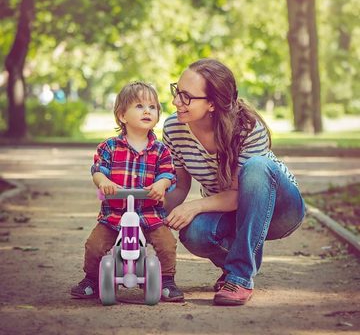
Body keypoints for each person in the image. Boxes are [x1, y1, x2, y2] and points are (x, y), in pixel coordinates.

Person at [162, 59, 305, 306]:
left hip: (280, 210)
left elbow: (240, 194)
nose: (176, 102)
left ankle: (240, 276)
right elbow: (181, 186)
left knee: (257, 166)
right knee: (194, 232)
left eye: (186, 97)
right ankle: (237, 265)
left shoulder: (249, 128)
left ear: (212, 104)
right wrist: (150, 213)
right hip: (229, 211)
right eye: (177, 91)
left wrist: (194, 206)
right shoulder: (174, 128)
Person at [71, 81, 184, 302]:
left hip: (150, 213)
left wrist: (161, 184)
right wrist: (103, 181)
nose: (147, 111)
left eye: (152, 107)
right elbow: (98, 170)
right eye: (140, 106)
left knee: (167, 244)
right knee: (94, 245)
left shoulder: (161, 150)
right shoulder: (109, 147)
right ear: (122, 115)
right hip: (114, 213)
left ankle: (167, 280)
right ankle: (92, 280)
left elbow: (168, 174)